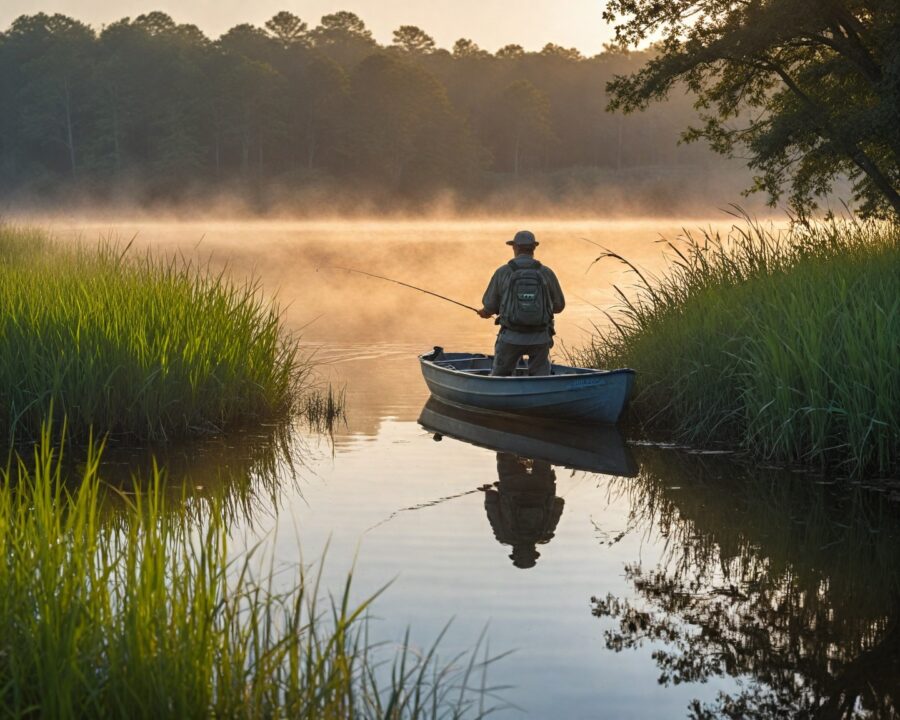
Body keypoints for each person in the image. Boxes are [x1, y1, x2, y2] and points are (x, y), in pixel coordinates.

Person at [477, 230, 565, 376]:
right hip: (540, 337)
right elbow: (559, 306)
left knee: (500, 378)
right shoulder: (546, 272)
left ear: (515, 247)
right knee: (541, 378)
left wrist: (485, 312)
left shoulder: (503, 272)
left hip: (510, 337)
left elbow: (490, 306)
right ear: (534, 248)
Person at [483, 452, 565, 569]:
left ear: (534, 552)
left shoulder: (544, 533)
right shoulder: (504, 536)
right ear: (515, 553)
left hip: (541, 486)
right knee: (505, 452)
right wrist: (490, 490)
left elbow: (559, 504)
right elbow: (492, 507)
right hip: (511, 485)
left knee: (544, 454)